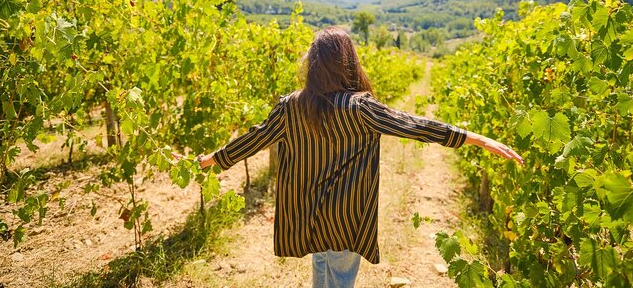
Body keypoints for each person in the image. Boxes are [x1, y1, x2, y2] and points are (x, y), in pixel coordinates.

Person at [175, 26, 523, 288]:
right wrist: (474, 138)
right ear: (348, 62)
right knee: (338, 279)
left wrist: (209, 161)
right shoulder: (360, 108)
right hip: (345, 217)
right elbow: (415, 125)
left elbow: (253, 139)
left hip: (306, 214)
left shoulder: (290, 106)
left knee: (322, 271)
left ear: (313, 63)